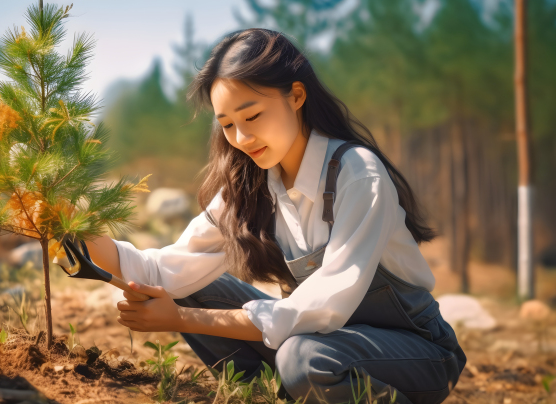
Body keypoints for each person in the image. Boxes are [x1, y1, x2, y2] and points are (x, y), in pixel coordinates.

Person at [80, 28, 466, 404]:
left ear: (296, 96)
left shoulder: (356, 174)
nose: (242, 139)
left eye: (253, 116)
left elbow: (322, 306)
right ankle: (271, 393)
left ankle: (310, 385)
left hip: (413, 353)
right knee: (191, 284)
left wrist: (181, 318)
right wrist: (70, 226)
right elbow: (160, 271)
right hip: (320, 344)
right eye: (228, 125)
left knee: (303, 357)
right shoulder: (253, 186)